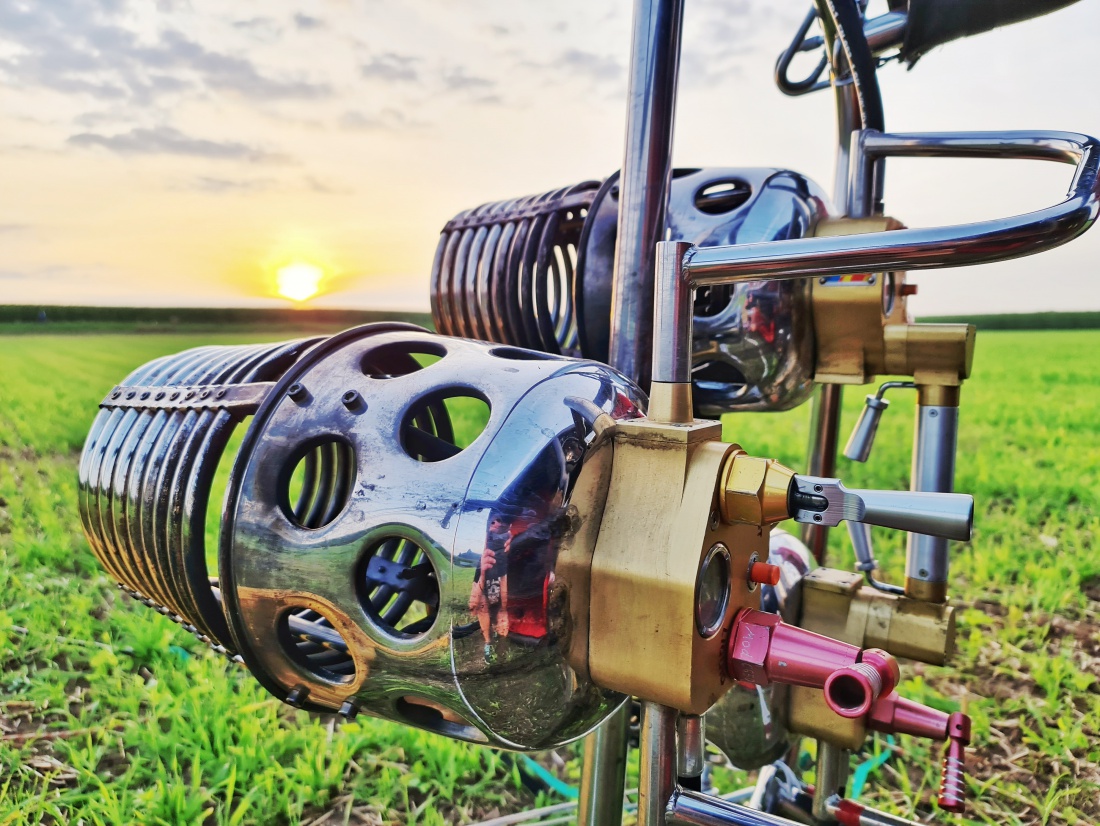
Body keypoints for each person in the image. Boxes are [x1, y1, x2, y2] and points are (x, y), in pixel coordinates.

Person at [468, 514, 510, 663]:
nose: (497, 524)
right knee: (481, 606)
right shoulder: (483, 554)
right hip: (488, 585)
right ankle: (488, 641)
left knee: (502, 611)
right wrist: (483, 574)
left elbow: (506, 580)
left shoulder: (508, 544)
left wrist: (504, 608)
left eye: (500, 521)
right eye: (492, 522)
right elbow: (475, 594)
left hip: (503, 586)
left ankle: (502, 640)